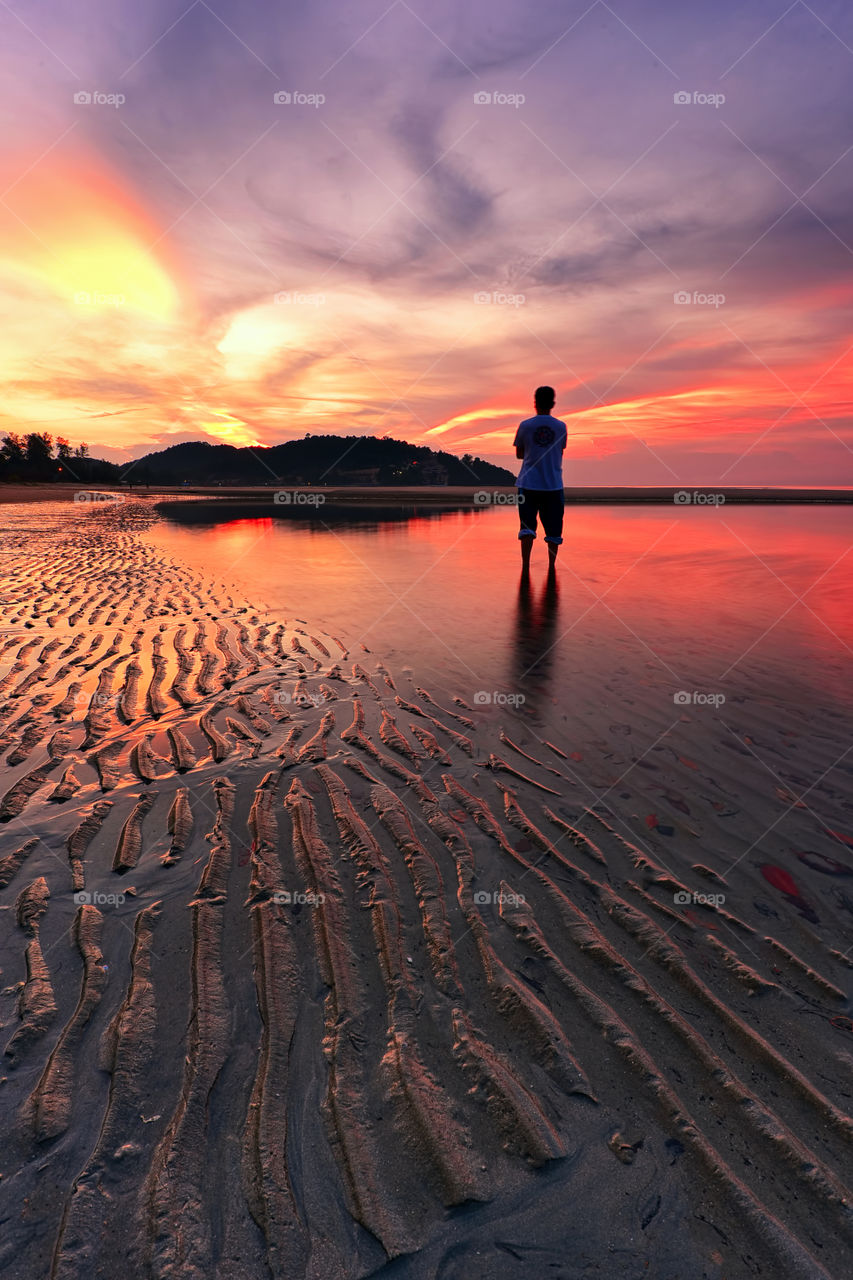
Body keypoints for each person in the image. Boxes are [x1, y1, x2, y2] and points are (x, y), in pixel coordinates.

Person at [513, 385, 567, 570]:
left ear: (535, 403)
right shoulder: (561, 427)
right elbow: (560, 452)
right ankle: (552, 567)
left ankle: (525, 567)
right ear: (553, 403)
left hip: (528, 484)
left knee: (526, 528)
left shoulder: (525, 425)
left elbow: (519, 454)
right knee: (554, 530)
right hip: (553, 485)